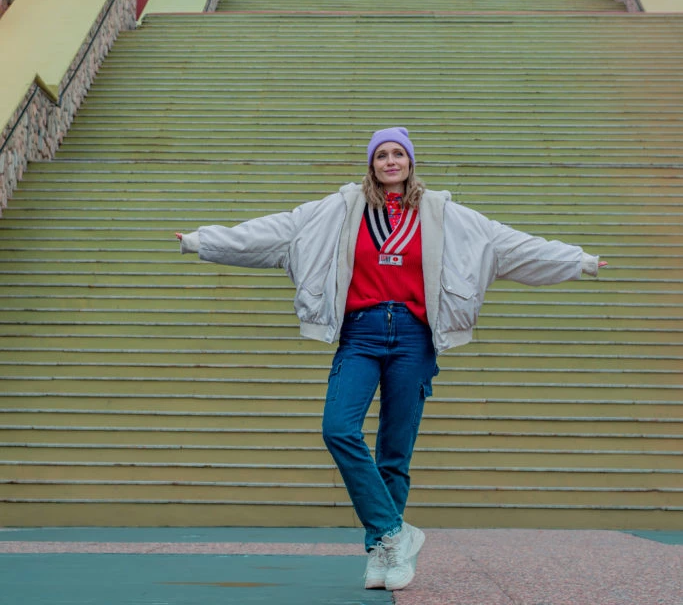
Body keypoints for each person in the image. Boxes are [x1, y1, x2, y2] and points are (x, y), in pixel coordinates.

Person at [175, 126, 606, 591]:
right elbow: (272, 231)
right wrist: (205, 241)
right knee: (338, 428)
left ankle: (384, 555)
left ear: (410, 163)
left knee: (395, 452)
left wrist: (576, 261)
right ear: (372, 165)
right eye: (382, 155)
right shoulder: (337, 210)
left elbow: (509, 245)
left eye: (398, 153)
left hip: (414, 336)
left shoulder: (444, 213)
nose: (390, 161)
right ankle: (395, 533)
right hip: (360, 333)